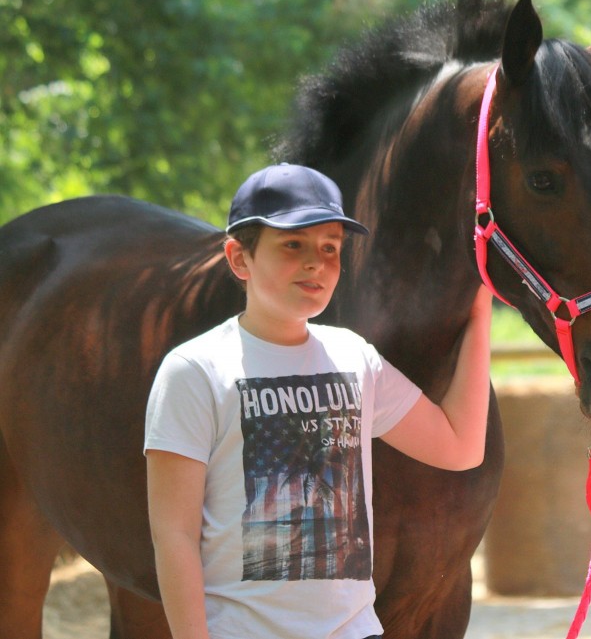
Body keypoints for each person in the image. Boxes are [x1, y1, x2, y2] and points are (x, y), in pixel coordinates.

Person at [144, 163, 493, 639]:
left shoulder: (355, 357)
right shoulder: (194, 371)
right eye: (294, 245)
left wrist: (478, 309)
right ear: (239, 258)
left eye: (330, 248)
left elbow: (460, 446)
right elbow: (174, 536)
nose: (317, 262)